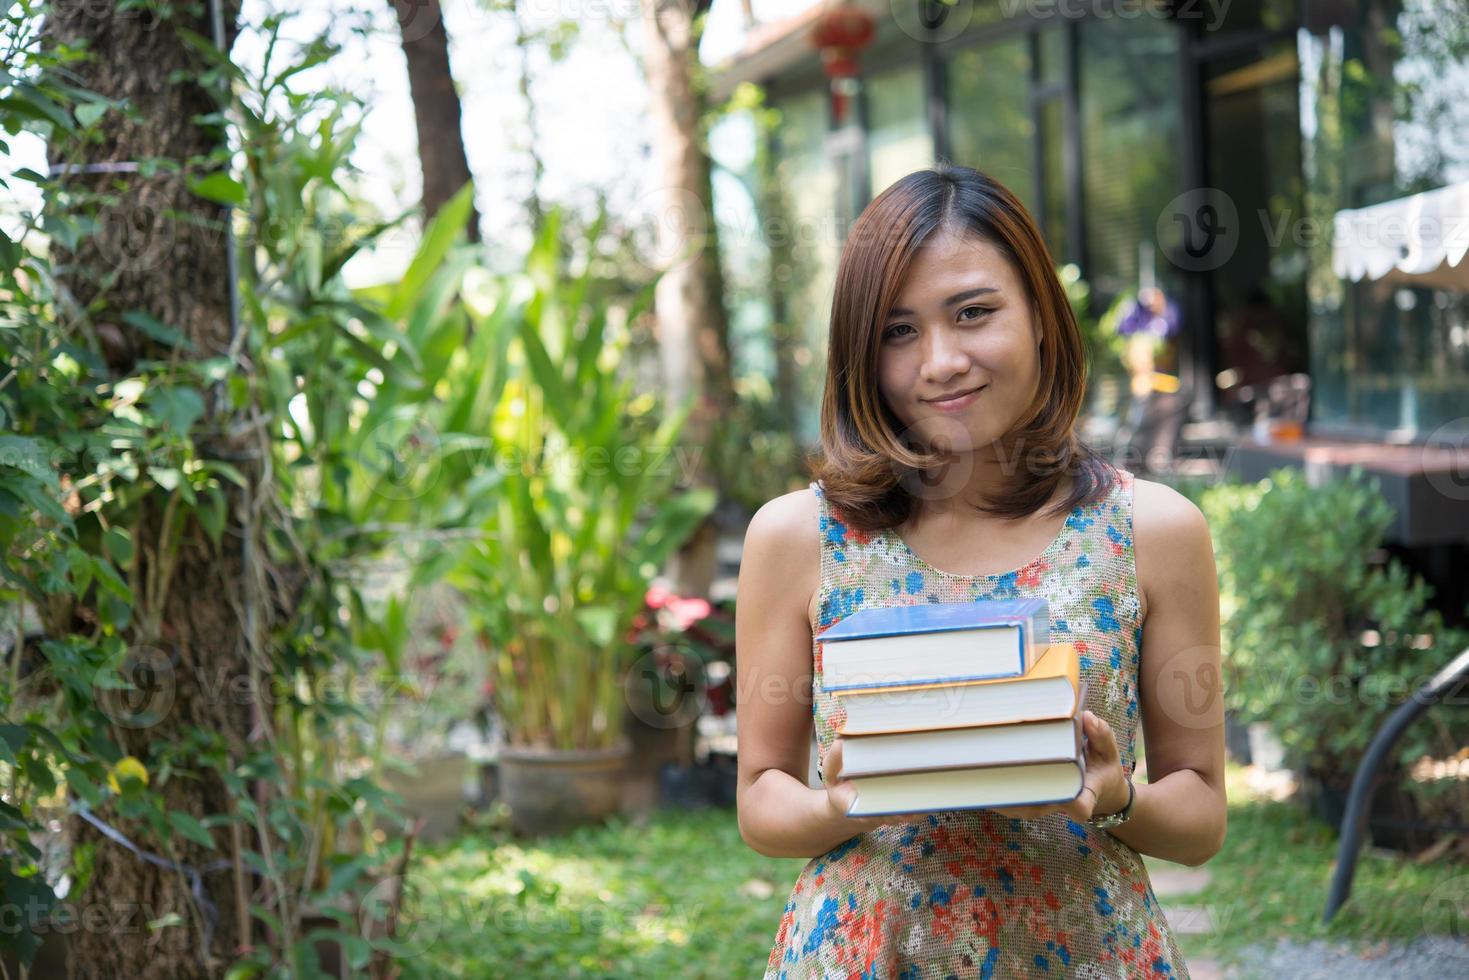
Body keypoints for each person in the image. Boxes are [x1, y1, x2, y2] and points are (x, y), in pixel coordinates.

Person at [735, 164, 1226, 978]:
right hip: (866, 952)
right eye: (898, 331)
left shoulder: (1152, 529)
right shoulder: (797, 535)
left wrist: (1115, 795)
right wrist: (835, 804)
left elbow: (1201, 813)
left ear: (1039, 314)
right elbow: (759, 797)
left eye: (973, 313)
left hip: (1081, 952)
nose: (940, 361)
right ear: (861, 352)